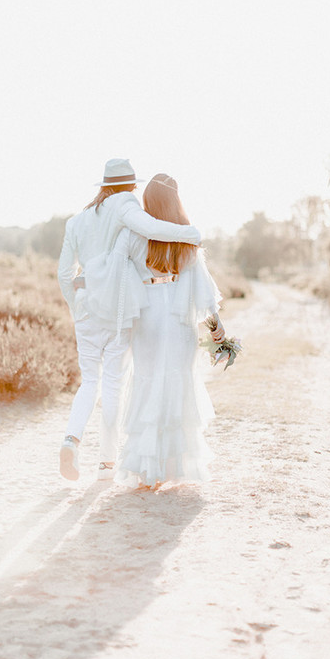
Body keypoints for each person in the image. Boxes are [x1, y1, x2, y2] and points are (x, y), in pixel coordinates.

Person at [57, 158, 201, 482]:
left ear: (104, 184)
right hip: (116, 309)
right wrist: (191, 234)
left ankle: (71, 440)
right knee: (113, 383)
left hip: (85, 309)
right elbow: (152, 229)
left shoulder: (76, 222)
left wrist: (75, 308)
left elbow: (64, 273)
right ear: (132, 185)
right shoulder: (125, 204)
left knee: (88, 381)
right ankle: (106, 465)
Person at [113, 173, 225, 490]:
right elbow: (203, 292)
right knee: (177, 386)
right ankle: (173, 467)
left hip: (147, 318)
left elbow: (118, 273)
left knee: (148, 385)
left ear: (147, 202)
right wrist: (217, 329)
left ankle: (148, 469)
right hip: (179, 323)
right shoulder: (187, 238)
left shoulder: (134, 234)